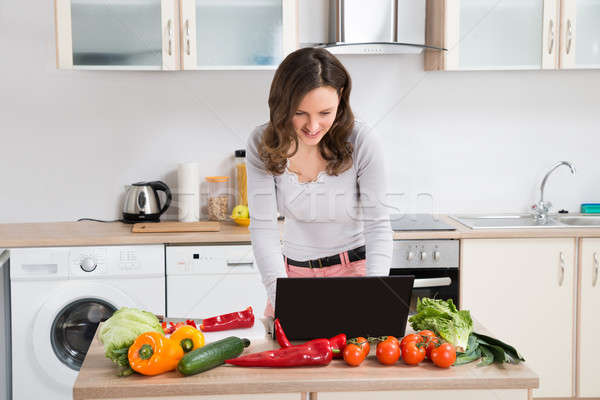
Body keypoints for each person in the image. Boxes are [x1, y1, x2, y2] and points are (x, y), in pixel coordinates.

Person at [246, 47, 392, 317]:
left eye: (325, 113)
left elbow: (378, 226)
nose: (313, 126)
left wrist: (376, 295)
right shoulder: (261, 143)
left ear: (341, 100)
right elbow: (263, 230)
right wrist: (280, 299)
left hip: (356, 275)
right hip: (291, 280)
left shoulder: (361, 140)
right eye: (300, 113)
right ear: (282, 106)